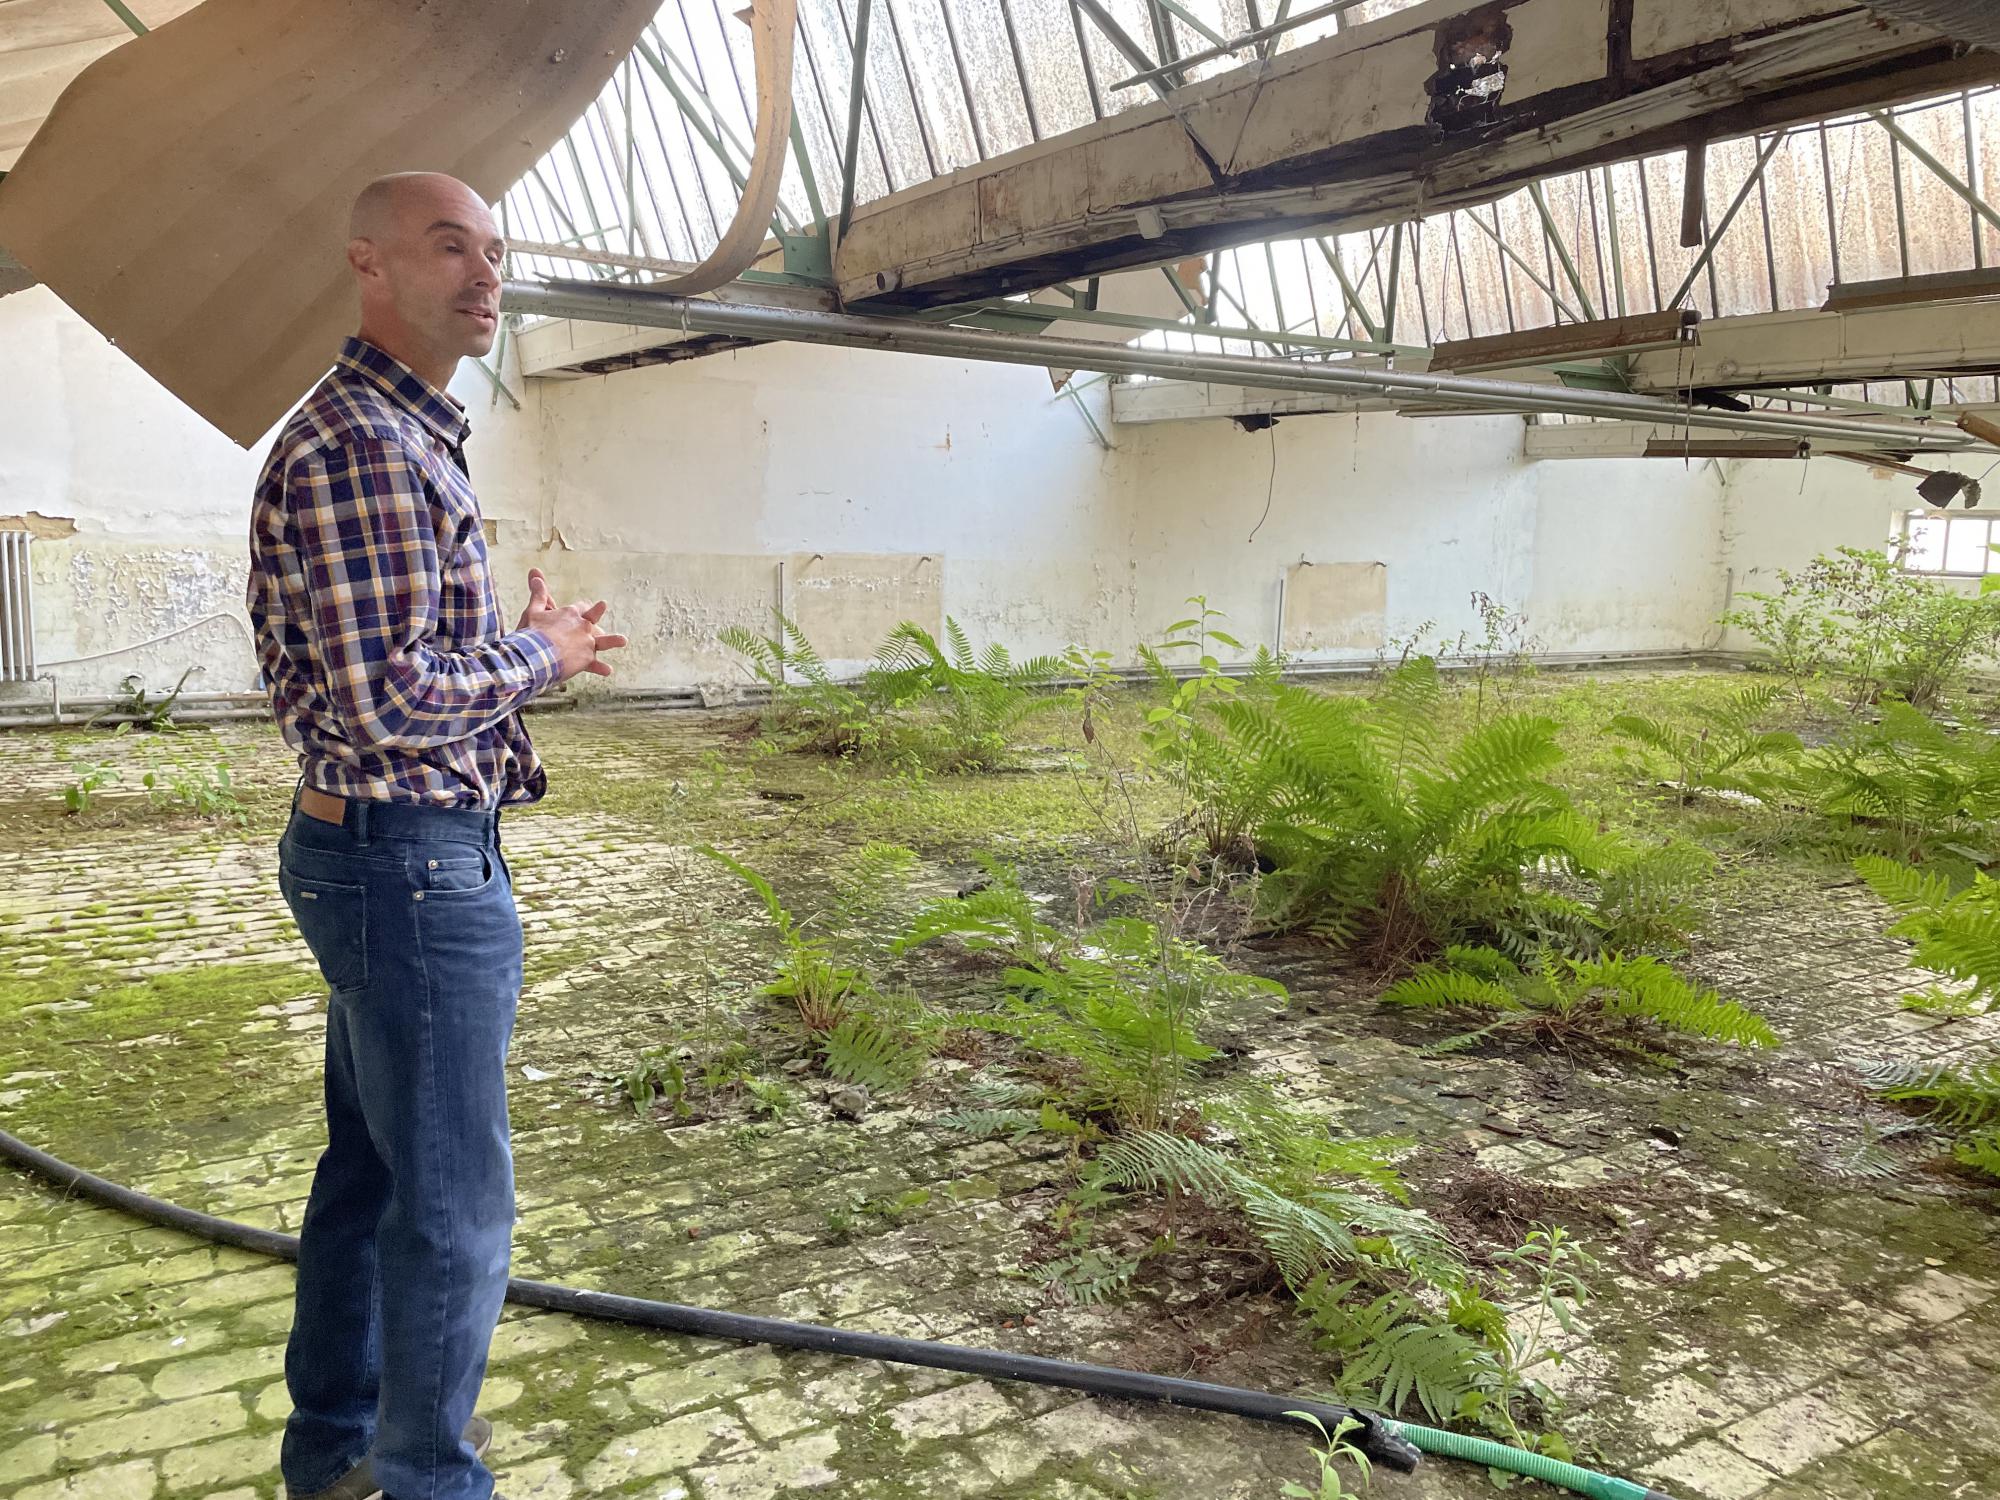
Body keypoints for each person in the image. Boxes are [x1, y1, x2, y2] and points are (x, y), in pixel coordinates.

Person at [247, 171, 625, 1500]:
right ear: (369, 263)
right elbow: (387, 698)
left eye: (495, 249)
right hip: (408, 866)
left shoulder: (406, 435)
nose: (485, 273)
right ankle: (425, 1481)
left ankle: (336, 1459)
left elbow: (397, 660)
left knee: (370, 1176)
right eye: (447, 245)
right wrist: (536, 653)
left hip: (382, 852)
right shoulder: (367, 447)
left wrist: (514, 642)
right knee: (454, 1217)